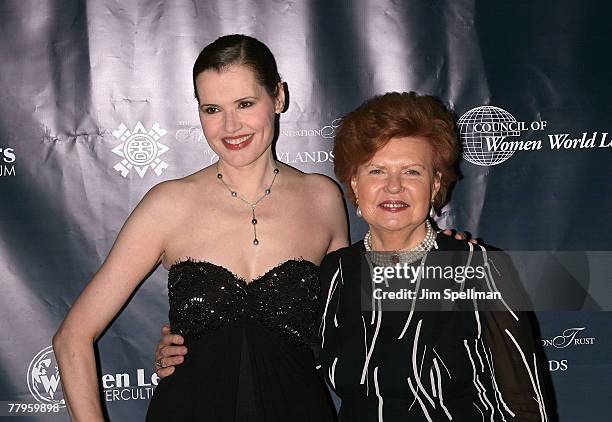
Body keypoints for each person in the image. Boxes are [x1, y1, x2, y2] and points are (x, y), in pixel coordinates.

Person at [155, 91, 552, 421]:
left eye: (412, 172)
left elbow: (525, 402)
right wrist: (186, 345)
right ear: (355, 185)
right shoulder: (334, 275)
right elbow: (276, 344)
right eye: (376, 171)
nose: (393, 187)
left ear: (435, 185)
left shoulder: (475, 270)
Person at [53, 34, 347, 422]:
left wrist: (439, 251)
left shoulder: (321, 198)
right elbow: (72, 339)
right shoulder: (169, 204)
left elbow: (349, 329)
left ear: (278, 97)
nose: (230, 125)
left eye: (245, 103)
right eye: (212, 108)